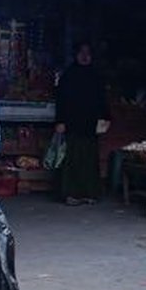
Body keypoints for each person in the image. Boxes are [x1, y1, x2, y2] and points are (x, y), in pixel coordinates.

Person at [55, 42, 110, 205]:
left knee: (89, 160)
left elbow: (102, 99)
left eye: (88, 53)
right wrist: (60, 121)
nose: (85, 56)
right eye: (82, 53)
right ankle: (71, 194)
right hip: (71, 124)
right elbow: (61, 100)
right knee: (72, 159)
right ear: (76, 55)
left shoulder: (96, 76)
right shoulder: (68, 76)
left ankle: (89, 193)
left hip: (90, 125)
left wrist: (106, 117)